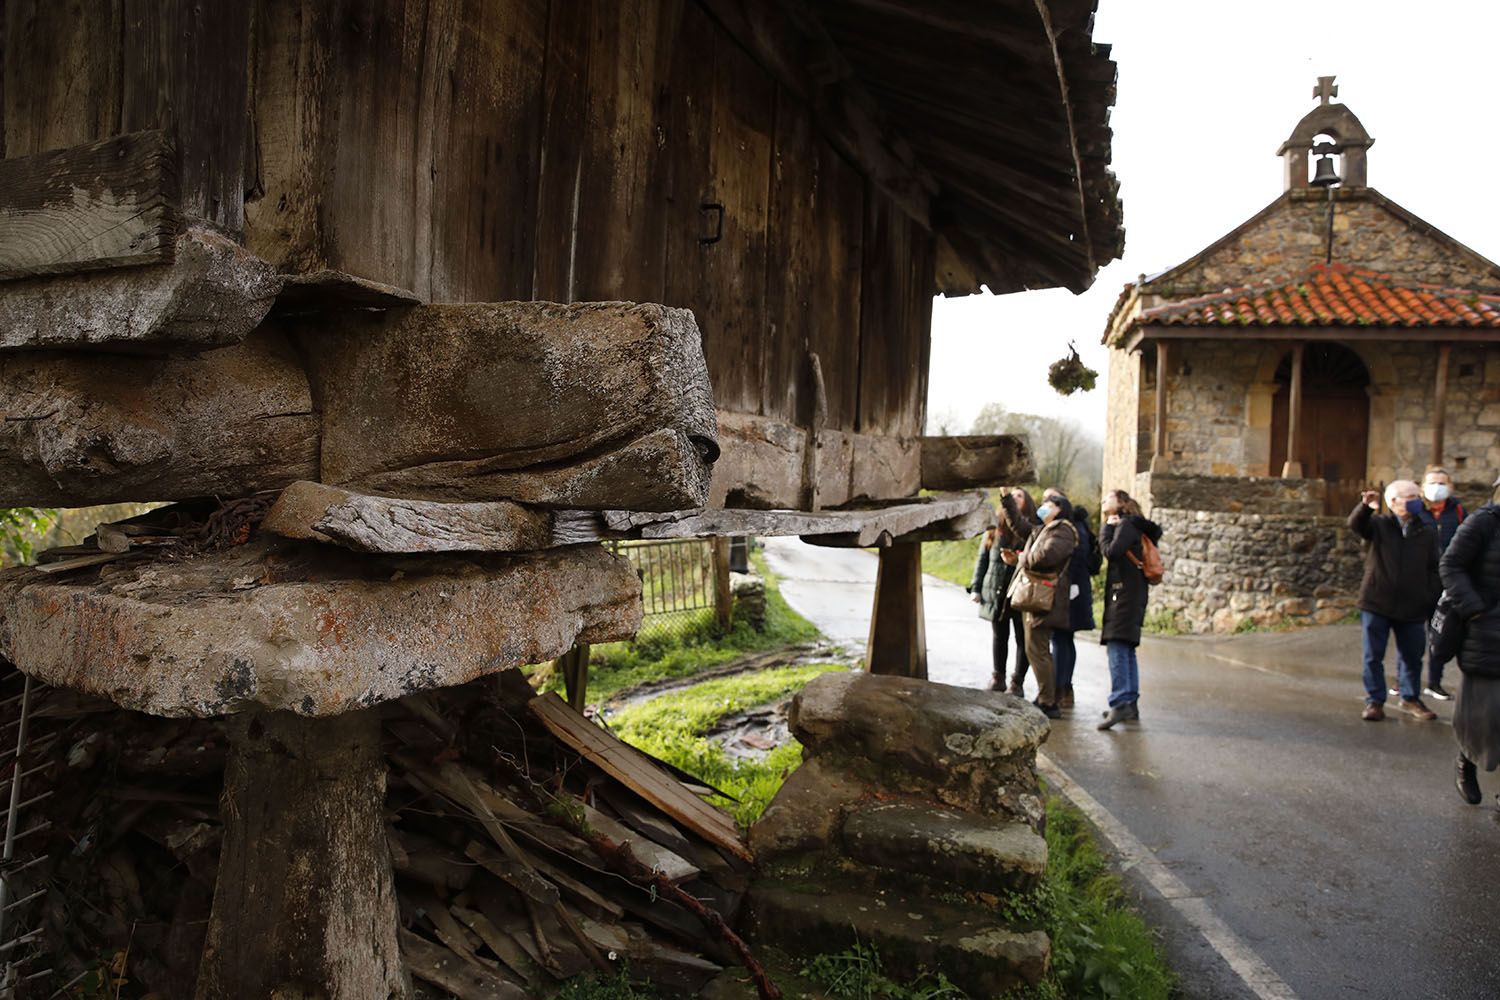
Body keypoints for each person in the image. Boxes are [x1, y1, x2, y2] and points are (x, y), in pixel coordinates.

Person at [1348, 480, 1441, 722]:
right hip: (1377, 601)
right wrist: (1366, 507)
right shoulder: (1379, 525)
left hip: (1412, 605)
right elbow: (1356, 525)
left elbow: (1434, 567)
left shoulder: (1426, 530)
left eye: (1416, 495)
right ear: (1393, 502)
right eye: (1409, 496)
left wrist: (1429, 595)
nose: (1415, 499)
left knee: (1412, 655)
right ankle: (1375, 701)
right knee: (1373, 655)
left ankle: (1410, 697)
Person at [1438, 475, 1500, 807]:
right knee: (1484, 713)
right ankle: (1467, 759)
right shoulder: (1483, 523)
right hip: (1487, 632)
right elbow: (1451, 564)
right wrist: (1475, 609)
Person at [1097, 489, 1162, 731]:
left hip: (1123, 594)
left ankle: (1120, 701)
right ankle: (1130, 702)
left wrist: (1107, 528)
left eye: (1108, 497)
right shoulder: (1134, 526)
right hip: (1133, 593)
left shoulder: (1124, 526)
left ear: (1121, 503)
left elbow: (1111, 552)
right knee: (1126, 647)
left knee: (1117, 645)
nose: (1104, 500)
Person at [1011, 493, 1078, 718]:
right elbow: (1019, 525)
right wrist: (1006, 500)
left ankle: (1048, 701)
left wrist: (1021, 558)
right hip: (1038, 595)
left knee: (1038, 649)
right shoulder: (1044, 529)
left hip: (1046, 597)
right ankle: (1044, 697)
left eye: (1047, 504)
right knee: (1034, 648)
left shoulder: (1063, 531)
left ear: (1059, 508)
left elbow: (1044, 557)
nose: (1042, 507)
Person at [1042, 489, 1099, 710]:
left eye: (1051, 500)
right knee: (1063, 639)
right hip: (1066, 588)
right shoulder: (1064, 524)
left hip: (1071, 590)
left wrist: (1073, 585)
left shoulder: (1073, 526)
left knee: (1062, 638)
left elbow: (1078, 555)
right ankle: (1063, 687)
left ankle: (1062, 686)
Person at [1417, 466, 1466, 701]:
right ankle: (1405, 681)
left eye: (1442, 482)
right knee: (1412, 635)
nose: (1437, 487)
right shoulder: (1415, 510)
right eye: (1432, 482)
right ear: (1423, 486)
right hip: (1418, 580)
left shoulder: (1458, 511)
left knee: (1440, 632)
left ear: (1451, 486)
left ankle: (1434, 682)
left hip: (1446, 582)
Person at [988, 488, 1038, 694]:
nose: (1016, 498)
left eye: (1020, 496)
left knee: (1021, 636)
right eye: (1013, 495)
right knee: (999, 635)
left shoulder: (1032, 527)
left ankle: (1017, 682)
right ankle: (997, 676)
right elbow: (985, 557)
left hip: (1020, 588)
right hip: (998, 587)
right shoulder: (997, 524)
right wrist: (977, 586)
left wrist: (1017, 559)